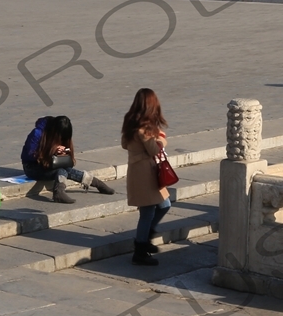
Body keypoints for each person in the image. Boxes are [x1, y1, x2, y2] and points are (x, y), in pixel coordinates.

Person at [122, 88, 171, 267]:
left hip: (144, 170)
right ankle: (140, 250)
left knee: (164, 204)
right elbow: (154, 149)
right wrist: (162, 139)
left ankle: (146, 235)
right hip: (144, 173)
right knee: (148, 211)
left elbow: (124, 144)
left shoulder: (130, 120)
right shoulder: (144, 128)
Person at [21, 115, 114, 203]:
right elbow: (28, 156)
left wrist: (63, 153)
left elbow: (69, 163)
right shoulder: (37, 133)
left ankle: (97, 184)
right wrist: (52, 151)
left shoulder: (62, 134)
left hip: (49, 164)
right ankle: (59, 192)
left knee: (66, 170)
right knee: (61, 171)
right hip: (32, 167)